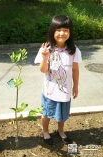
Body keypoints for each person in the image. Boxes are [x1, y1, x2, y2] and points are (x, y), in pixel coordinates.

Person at [34, 15, 82, 145]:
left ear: (70, 32)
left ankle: (60, 130)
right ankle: (45, 131)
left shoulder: (74, 50)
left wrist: (75, 86)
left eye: (66, 30)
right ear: (52, 31)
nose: (62, 33)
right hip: (50, 92)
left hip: (65, 91)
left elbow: (75, 70)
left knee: (63, 114)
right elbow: (43, 70)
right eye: (58, 30)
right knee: (47, 113)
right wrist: (44, 57)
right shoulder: (47, 49)